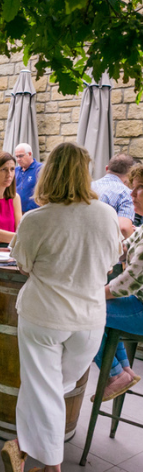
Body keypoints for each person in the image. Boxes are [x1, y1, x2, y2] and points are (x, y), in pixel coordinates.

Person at [1, 142, 122, 472]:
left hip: (44, 317)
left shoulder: (35, 219)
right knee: (49, 388)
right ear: (86, 173)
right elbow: (111, 263)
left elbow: (23, 265)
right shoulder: (107, 215)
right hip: (90, 321)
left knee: (44, 389)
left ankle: (49, 465)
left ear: (48, 173)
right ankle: (22, 447)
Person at [92, 162, 143, 402]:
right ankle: (124, 372)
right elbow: (122, 250)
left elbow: (129, 282)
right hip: (137, 302)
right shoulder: (140, 229)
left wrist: (92, 294)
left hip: (141, 308)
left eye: (138, 188)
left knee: (86, 313)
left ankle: (114, 374)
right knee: (97, 310)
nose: (131, 194)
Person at [92, 153, 135, 239]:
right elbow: (124, 229)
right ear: (131, 174)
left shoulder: (88, 186)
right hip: (104, 246)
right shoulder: (126, 193)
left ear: (107, 168)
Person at [15, 143, 43, 213]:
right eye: (17, 156)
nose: (18, 159)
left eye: (21, 156)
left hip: (34, 212)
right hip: (18, 211)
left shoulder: (40, 169)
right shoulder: (15, 170)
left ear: (29, 154)